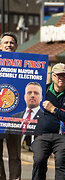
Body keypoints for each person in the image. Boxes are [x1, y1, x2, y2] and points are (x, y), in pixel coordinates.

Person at [32, 63, 65, 180]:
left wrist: (53, 109)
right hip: (42, 134)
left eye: (64, 75)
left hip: (63, 136)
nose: (61, 78)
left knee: (61, 162)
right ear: (53, 76)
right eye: (58, 75)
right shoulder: (41, 91)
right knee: (39, 160)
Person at [0, 32, 21, 180]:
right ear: (0, 46)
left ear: (16, 46)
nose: (9, 44)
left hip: (16, 115)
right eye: (6, 42)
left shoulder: (24, 63)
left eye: (11, 42)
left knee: (15, 155)